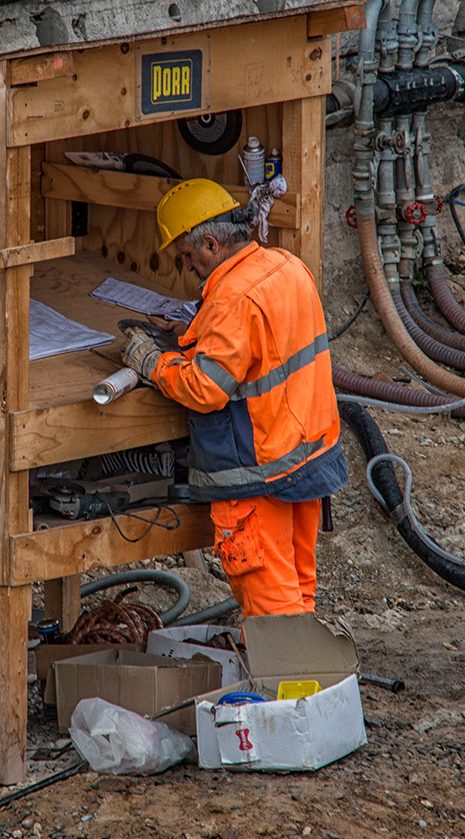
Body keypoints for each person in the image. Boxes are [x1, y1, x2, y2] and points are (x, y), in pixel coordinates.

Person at [120, 178, 347, 616]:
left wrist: (152, 362)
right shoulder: (287, 266)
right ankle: (314, 681)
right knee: (298, 593)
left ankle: (287, 685)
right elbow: (261, 348)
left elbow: (205, 390)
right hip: (305, 462)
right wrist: (191, 335)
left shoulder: (230, 300)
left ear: (210, 243)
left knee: (271, 609)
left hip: (258, 476)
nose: (187, 267)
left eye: (187, 256)